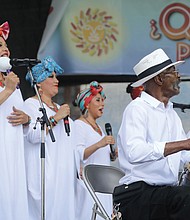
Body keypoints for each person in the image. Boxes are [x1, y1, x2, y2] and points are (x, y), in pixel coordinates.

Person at [113, 48, 190, 220]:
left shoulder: (171, 114)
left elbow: (184, 155)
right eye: (173, 71)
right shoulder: (137, 109)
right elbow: (135, 152)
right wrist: (184, 144)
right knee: (186, 197)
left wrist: (185, 147)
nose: (179, 76)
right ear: (159, 78)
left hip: (164, 195)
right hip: (137, 194)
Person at [24, 56, 77, 220]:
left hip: (64, 176)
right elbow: (33, 135)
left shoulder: (61, 108)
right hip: (45, 174)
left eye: (56, 76)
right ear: (38, 82)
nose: (56, 80)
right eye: (51, 76)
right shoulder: (30, 105)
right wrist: (56, 118)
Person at [74, 81, 116, 220]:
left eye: (103, 100)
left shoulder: (99, 127)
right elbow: (79, 153)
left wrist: (111, 154)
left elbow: (100, 152)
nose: (102, 104)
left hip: (104, 185)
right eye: (98, 100)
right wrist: (100, 143)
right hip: (89, 186)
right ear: (87, 104)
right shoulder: (79, 125)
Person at [0, 21, 30, 220]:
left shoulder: (11, 79)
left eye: (6, 47)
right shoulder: (10, 84)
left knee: (14, 199)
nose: (5, 50)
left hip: (15, 152)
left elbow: (21, 114)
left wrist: (27, 119)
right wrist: (8, 90)